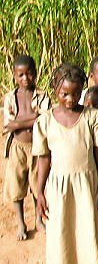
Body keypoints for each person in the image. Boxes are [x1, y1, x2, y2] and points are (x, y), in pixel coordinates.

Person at [33, 63, 98, 263]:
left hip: (88, 185)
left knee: (90, 232)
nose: (70, 99)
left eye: (76, 94)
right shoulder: (45, 122)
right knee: (61, 233)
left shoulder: (93, 117)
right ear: (55, 89)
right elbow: (44, 159)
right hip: (59, 188)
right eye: (64, 94)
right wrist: (39, 192)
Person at [3, 55, 51, 240]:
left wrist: (18, 123)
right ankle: (21, 223)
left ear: (35, 74)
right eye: (20, 75)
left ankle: (38, 219)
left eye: (29, 74)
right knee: (16, 185)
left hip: (37, 147)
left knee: (36, 183)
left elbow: (44, 118)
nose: (25, 79)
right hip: (17, 147)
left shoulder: (41, 95)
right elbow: (9, 124)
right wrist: (31, 120)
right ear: (14, 76)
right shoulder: (10, 98)